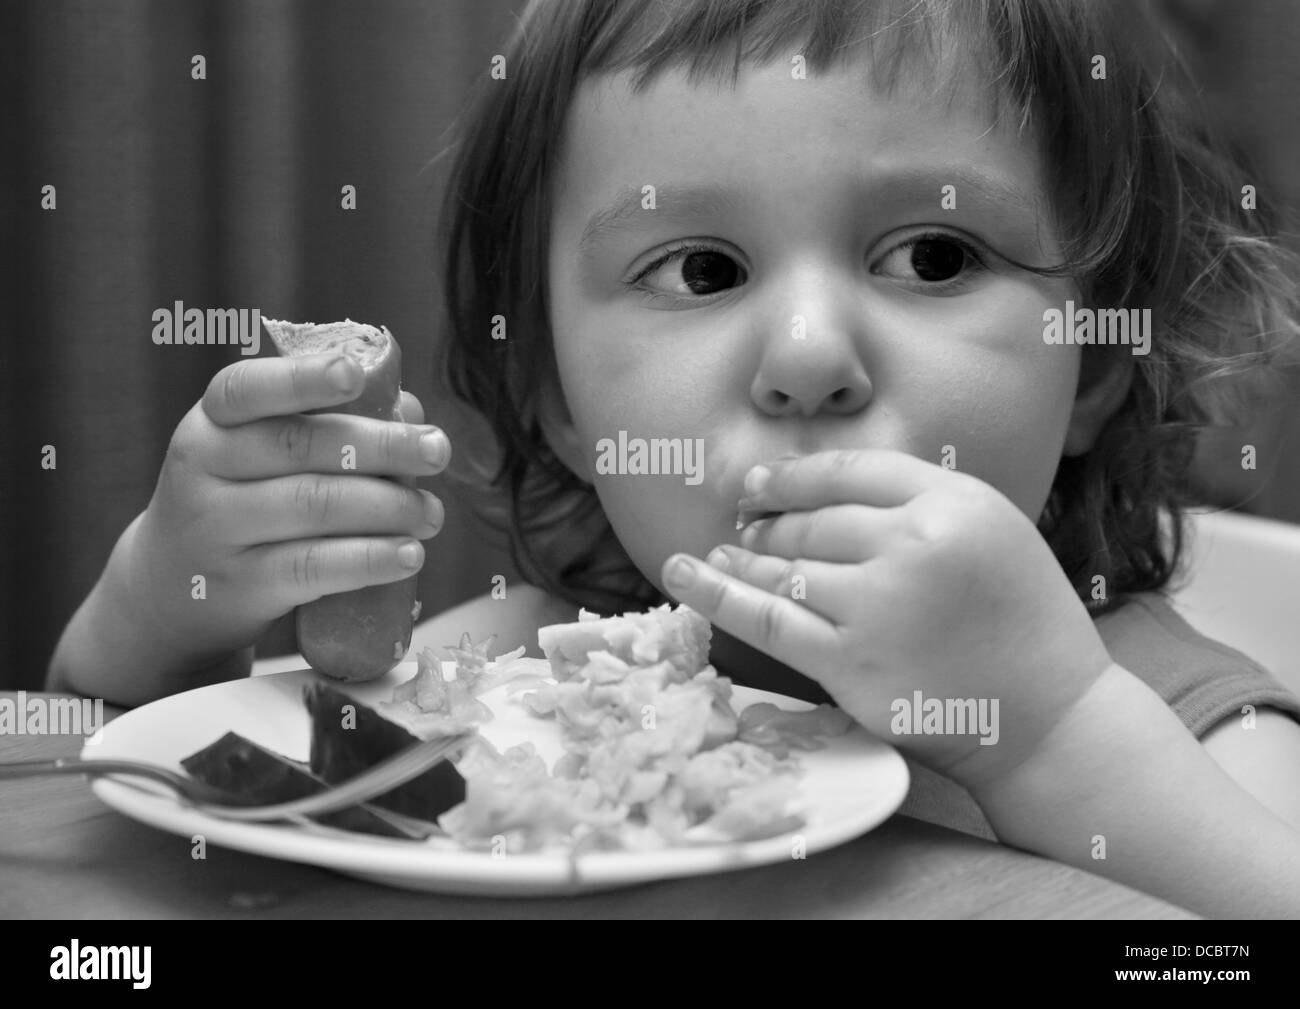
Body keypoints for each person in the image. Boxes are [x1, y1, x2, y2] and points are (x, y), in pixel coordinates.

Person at [48, 0, 1300, 917]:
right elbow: (113, 804)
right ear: (557, 400)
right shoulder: (510, 680)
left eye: (934, 255)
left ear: (1090, 365)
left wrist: (1046, 733)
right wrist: (166, 602)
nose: (809, 356)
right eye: (702, 269)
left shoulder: (1182, 722)